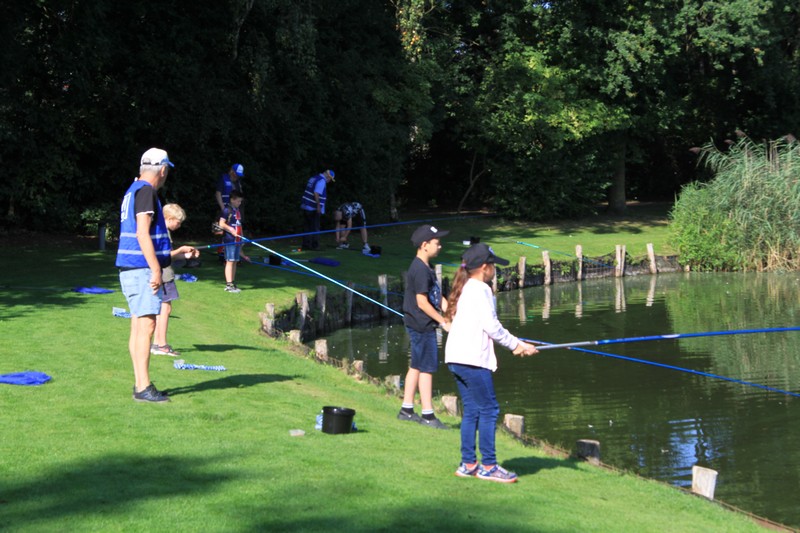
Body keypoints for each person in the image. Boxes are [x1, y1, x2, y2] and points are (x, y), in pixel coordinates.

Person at [444, 243, 539, 482]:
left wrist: (518, 343)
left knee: (472, 410)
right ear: (485, 267)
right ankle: (489, 466)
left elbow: (485, 326)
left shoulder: (467, 287)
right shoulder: (481, 290)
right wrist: (515, 345)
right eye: (494, 265)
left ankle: (468, 464)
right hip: (472, 360)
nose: (495, 269)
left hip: (456, 358)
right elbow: (492, 327)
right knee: (489, 409)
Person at [116, 147, 174, 403]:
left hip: (132, 267)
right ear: (163, 170)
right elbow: (142, 233)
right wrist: (156, 270)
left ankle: (141, 383)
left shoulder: (134, 189)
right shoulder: (147, 191)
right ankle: (143, 386)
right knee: (147, 325)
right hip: (141, 268)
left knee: (139, 325)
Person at [398, 224, 451, 429]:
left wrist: (451, 313)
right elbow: (422, 302)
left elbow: (436, 296)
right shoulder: (419, 269)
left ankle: (406, 410)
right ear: (424, 245)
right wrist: (442, 321)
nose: (440, 246)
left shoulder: (426, 267)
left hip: (420, 323)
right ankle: (428, 415)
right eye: (437, 243)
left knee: (417, 365)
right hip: (422, 325)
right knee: (427, 368)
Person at [151, 203, 200, 357]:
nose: (179, 225)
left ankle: (157, 344)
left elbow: (169, 255)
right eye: (178, 222)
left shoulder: (161, 230)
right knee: (165, 309)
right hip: (164, 275)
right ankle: (161, 345)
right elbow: (164, 255)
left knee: (162, 309)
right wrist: (181, 249)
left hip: (164, 273)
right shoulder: (162, 231)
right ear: (169, 218)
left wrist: (186, 255)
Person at [218, 190, 248, 293]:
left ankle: (232, 283)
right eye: (238, 201)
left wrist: (242, 236)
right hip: (230, 240)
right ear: (232, 200)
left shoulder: (237, 210)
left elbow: (239, 224)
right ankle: (229, 285)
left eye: (240, 201)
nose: (239, 203)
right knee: (230, 261)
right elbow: (221, 223)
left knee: (235, 261)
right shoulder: (227, 210)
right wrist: (230, 229)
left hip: (237, 240)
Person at [300, 169, 335, 250]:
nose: (329, 181)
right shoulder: (321, 181)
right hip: (313, 207)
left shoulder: (314, 178)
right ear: (328, 176)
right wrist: (318, 206)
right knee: (315, 227)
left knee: (307, 227)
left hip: (306, 205)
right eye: (330, 179)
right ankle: (315, 246)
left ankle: (306, 245)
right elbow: (316, 193)